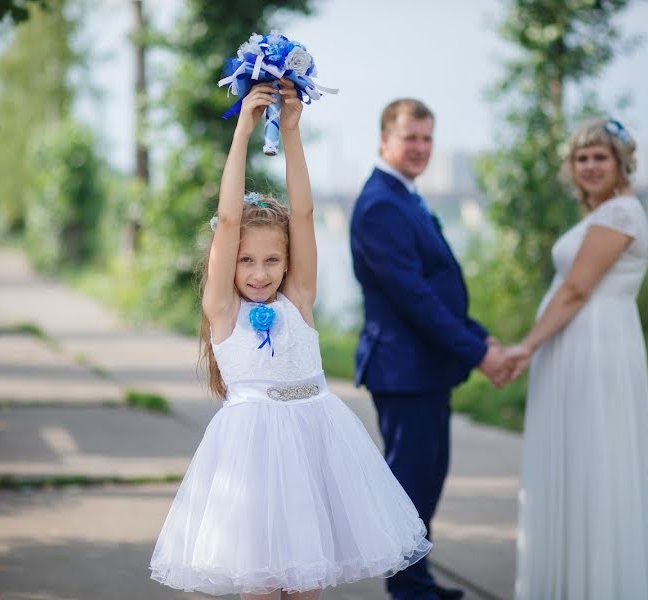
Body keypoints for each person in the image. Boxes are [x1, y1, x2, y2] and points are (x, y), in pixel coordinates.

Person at [149, 80, 432, 599]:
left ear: (287, 263)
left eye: (272, 260)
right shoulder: (224, 312)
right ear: (228, 261)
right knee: (259, 586)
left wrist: (293, 130)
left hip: (313, 446)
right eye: (246, 260)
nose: (259, 273)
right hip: (252, 457)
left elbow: (301, 214)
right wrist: (243, 131)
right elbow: (229, 218)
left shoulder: (298, 301)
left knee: (307, 587)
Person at [349, 98, 512, 600]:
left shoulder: (405, 196)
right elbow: (413, 297)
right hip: (403, 369)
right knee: (412, 483)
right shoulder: (381, 204)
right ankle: (408, 590)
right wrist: (477, 353)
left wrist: (477, 333)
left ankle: (416, 579)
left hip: (425, 368)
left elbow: (434, 287)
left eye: (427, 138)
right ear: (383, 140)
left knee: (427, 479)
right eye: (409, 138)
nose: (419, 148)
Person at [506, 118, 648, 599]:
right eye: (582, 158)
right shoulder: (603, 213)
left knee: (595, 460)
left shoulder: (620, 215)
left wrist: (527, 346)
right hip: (577, 347)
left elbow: (574, 291)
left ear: (620, 162)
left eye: (600, 157)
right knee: (577, 458)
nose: (590, 166)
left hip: (595, 349)